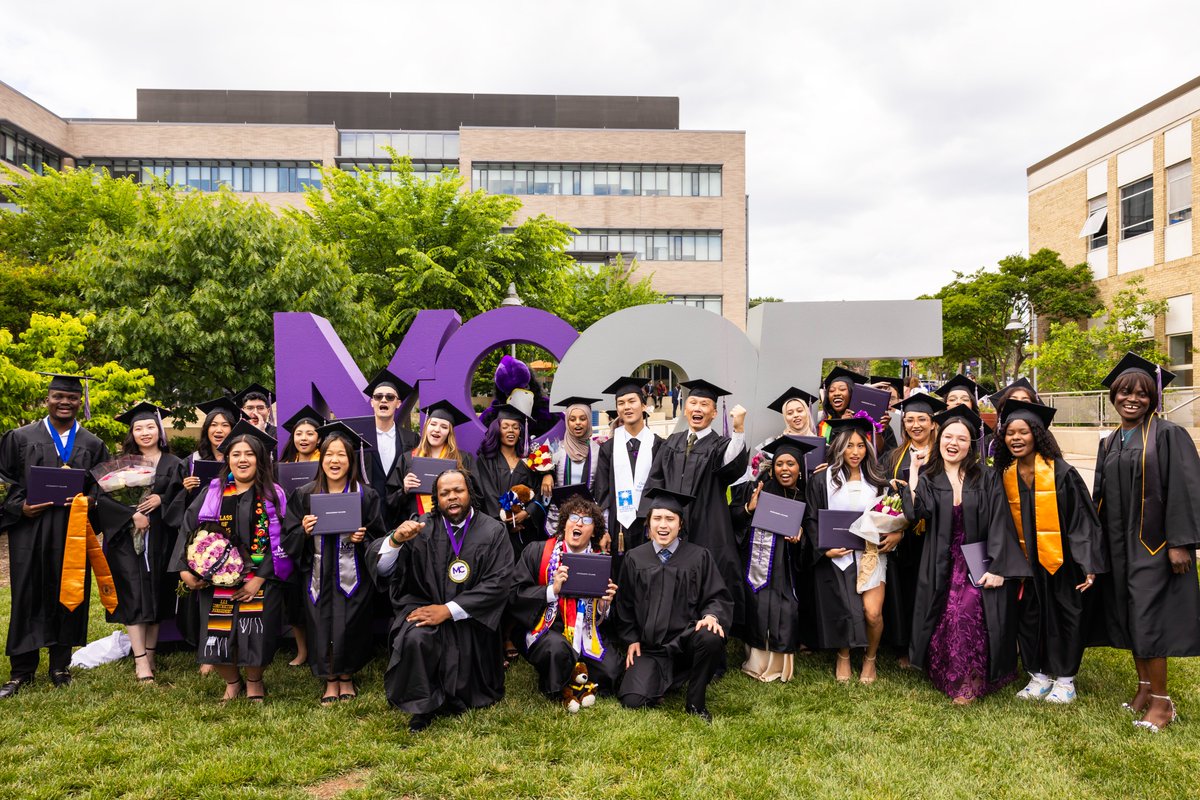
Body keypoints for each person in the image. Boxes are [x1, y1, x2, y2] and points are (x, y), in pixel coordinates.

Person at [1092, 352, 1200, 732]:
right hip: (1119, 548)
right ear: (1114, 397)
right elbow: (1100, 498)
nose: (1131, 399)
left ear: (1153, 398)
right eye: (1123, 393)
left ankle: (1163, 704)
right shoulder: (1110, 441)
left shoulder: (1168, 434)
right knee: (1129, 616)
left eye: (1140, 393)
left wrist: (1181, 542)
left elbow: (1186, 489)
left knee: (1150, 620)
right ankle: (1143, 689)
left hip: (1153, 546)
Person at [365, 469, 514, 733]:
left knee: (463, 639)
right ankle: (422, 707)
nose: (452, 497)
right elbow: (386, 570)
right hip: (425, 606)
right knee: (415, 636)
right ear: (436, 498)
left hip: (471, 616)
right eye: (444, 493)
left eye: (458, 490)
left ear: (470, 493)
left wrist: (448, 610)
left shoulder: (493, 531)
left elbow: (499, 582)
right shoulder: (421, 527)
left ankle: (460, 697)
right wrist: (395, 541)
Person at [903, 405, 1031, 705]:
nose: (953, 443)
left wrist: (999, 566)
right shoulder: (930, 477)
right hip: (941, 562)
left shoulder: (985, 477)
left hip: (978, 559)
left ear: (971, 445)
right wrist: (913, 471)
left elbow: (1001, 521)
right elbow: (918, 512)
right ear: (939, 440)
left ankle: (969, 682)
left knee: (965, 614)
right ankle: (946, 672)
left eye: (962, 439)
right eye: (948, 436)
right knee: (945, 616)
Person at [0, 374, 111, 698]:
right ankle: (21, 671)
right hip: (30, 531)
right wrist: (20, 508)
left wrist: (91, 501)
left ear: (80, 402)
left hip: (71, 532)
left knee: (70, 591)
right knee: (27, 595)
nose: (65, 402)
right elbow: (4, 480)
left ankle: (60, 666)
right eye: (58, 396)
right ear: (47, 398)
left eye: (72, 398)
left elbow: (102, 488)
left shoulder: (92, 443)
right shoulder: (19, 437)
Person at [171, 422, 297, 702]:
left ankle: (254, 681)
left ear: (260, 459)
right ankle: (232, 681)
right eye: (236, 454)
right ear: (227, 458)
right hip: (215, 578)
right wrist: (184, 569)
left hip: (260, 576)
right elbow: (188, 529)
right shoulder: (212, 492)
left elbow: (283, 540)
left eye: (249, 454)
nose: (242, 459)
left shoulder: (273, 494)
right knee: (218, 634)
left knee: (256, 635)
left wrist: (259, 578)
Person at [994, 399, 1107, 704]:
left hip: (1061, 560)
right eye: (1010, 433)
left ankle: (1066, 680)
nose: (1016, 438)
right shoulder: (1006, 475)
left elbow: (1082, 519)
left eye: (1024, 432)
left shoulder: (1062, 473)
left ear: (1038, 435)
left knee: (1064, 616)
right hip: (1026, 562)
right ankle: (1038, 676)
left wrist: (1087, 562)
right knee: (1030, 617)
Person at [283, 422, 386, 705]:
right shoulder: (305, 495)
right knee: (320, 623)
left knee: (352, 623)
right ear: (321, 458)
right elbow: (287, 538)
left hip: (354, 575)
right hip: (317, 573)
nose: (335, 460)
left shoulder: (366, 495)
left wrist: (363, 538)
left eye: (341, 454)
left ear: (351, 460)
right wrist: (302, 531)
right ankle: (330, 679)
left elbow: (380, 539)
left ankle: (347, 676)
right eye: (329, 454)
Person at [615, 488, 733, 722]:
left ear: (681, 524)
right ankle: (666, 679)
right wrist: (631, 639)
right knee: (633, 700)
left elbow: (717, 596)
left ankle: (695, 702)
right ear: (648, 525)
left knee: (710, 635)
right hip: (650, 648)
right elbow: (624, 604)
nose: (663, 525)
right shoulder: (635, 558)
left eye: (670, 519)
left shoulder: (699, 557)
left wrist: (711, 616)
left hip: (686, 644)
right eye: (657, 518)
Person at [646, 378, 748, 628]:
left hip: (707, 521)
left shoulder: (720, 445)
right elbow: (655, 481)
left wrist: (738, 430)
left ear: (714, 412)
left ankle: (709, 628)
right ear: (685, 408)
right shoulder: (672, 442)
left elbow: (731, 464)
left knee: (707, 572)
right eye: (693, 402)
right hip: (672, 523)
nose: (698, 408)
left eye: (705, 404)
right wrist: (654, 520)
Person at [99, 401, 186, 684]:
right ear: (132, 433)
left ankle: (150, 654)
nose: (145, 432)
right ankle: (140, 663)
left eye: (150, 426)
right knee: (133, 595)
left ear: (160, 430)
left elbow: (184, 501)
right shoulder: (121, 462)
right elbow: (103, 500)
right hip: (126, 541)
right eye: (139, 428)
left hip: (163, 539)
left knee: (158, 594)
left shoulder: (175, 464)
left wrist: (163, 499)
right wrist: (132, 513)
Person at [801, 417, 892, 684]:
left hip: (872, 554)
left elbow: (891, 515)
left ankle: (870, 657)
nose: (855, 452)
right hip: (840, 556)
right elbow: (811, 518)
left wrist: (894, 531)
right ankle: (843, 654)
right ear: (839, 446)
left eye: (860, 445)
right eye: (849, 445)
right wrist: (824, 547)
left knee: (872, 613)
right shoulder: (823, 480)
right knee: (847, 609)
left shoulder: (878, 480)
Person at [509, 494, 622, 702]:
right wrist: (551, 590)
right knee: (557, 650)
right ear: (564, 523)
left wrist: (604, 606)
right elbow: (515, 594)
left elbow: (605, 618)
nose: (578, 523)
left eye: (586, 520)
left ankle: (572, 672)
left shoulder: (601, 562)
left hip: (586, 630)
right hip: (547, 627)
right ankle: (559, 683)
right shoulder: (538, 551)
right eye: (573, 517)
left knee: (611, 671)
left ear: (594, 530)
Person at [731, 435, 816, 682]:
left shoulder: (806, 496)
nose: (785, 469)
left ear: (800, 468)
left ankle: (781, 664)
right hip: (759, 566)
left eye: (791, 464)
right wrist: (749, 509)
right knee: (758, 607)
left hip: (788, 570)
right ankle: (755, 662)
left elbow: (813, 534)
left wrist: (801, 537)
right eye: (780, 464)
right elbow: (733, 518)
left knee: (785, 609)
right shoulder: (758, 489)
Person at [171, 396, 240, 666]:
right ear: (206, 429)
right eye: (214, 424)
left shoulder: (241, 456)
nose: (219, 429)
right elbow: (177, 507)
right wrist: (186, 490)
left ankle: (230, 648)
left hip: (234, 529)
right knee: (204, 593)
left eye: (225, 424)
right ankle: (207, 652)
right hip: (202, 533)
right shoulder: (191, 461)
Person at [881, 393, 947, 668]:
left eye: (922, 419)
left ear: (933, 423)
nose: (915, 425)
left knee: (932, 591)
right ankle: (903, 646)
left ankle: (933, 645)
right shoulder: (894, 455)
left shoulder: (944, 453)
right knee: (903, 592)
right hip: (902, 538)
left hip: (934, 535)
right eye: (909, 420)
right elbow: (885, 496)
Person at [592, 377, 664, 571]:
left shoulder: (659, 445)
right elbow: (602, 493)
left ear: (643, 405)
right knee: (621, 576)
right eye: (621, 403)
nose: (627, 407)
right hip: (619, 525)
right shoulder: (608, 448)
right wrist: (604, 530)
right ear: (617, 410)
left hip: (650, 525)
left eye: (632, 401)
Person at [277, 404, 326, 668]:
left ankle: (322, 647)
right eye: (299, 433)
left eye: (310, 433)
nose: (304, 438)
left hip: (321, 532)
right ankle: (302, 650)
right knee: (295, 595)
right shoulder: (283, 466)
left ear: (319, 437)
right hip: (293, 532)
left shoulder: (328, 463)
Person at [390, 399, 480, 523]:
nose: (437, 429)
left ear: (449, 433)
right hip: (416, 528)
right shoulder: (408, 459)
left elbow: (477, 497)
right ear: (426, 427)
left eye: (444, 427)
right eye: (433, 424)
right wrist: (404, 490)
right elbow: (390, 501)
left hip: (452, 526)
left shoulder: (463, 459)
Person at [474, 404, 544, 556]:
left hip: (526, 531)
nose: (511, 431)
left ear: (521, 431)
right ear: (497, 430)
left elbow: (539, 491)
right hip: (496, 531)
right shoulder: (486, 460)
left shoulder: (530, 460)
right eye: (505, 426)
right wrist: (508, 521)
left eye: (515, 427)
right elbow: (487, 493)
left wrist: (527, 513)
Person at [362, 368, 419, 529]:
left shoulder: (411, 439)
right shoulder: (360, 439)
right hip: (368, 516)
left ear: (398, 403)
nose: (383, 400)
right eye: (378, 397)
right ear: (372, 402)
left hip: (402, 514)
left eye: (390, 397)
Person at [539, 397, 601, 537]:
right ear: (567, 422)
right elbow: (544, 475)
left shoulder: (598, 451)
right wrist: (546, 474)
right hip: (560, 516)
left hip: (587, 517)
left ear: (589, 420)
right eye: (572, 419)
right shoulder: (557, 448)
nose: (577, 423)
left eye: (582, 418)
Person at [817, 366, 868, 435]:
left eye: (842, 389)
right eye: (832, 390)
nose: (836, 393)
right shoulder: (823, 426)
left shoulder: (866, 421)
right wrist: (842, 424)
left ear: (852, 394)